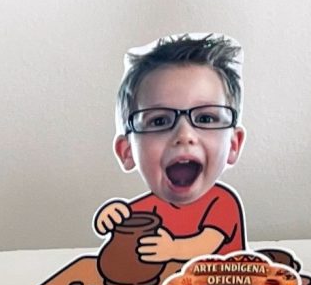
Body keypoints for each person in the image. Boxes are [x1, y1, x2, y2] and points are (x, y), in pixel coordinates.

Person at [94, 33, 247, 263]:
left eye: (205, 118)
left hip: (218, 284)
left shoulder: (222, 203)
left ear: (233, 145)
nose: (184, 135)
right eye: (159, 121)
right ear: (127, 151)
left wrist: (173, 249)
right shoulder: (145, 210)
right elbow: (124, 234)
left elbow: (207, 242)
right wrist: (112, 218)